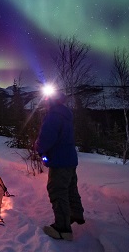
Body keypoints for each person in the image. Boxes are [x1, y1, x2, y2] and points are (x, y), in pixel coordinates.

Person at [35, 90, 85, 241]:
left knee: (57, 191)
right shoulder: (66, 114)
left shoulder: (53, 115)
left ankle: (62, 229)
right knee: (70, 188)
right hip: (70, 159)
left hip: (60, 161)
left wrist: (38, 147)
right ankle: (76, 214)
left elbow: (47, 137)